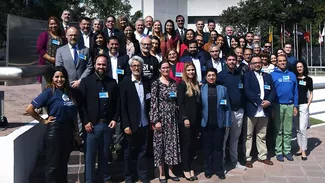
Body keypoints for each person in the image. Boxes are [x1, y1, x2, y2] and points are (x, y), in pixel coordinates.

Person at [25, 66, 79, 183]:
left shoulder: (69, 92)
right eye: (57, 77)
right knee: (52, 166)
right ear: (52, 78)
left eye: (62, 77)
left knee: (63, 165)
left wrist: (76, 133)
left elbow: (73, 115)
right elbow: (29, 109)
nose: (60, 79)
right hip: (55, 131)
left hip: (67, 131)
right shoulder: (49, 92)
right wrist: (43, 120)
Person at [79, 55, 119, 183]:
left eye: (104, 64)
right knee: (90, 157)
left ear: (107, 66)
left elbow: (117, 104)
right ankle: (89, 181)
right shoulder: (86, 82)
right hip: (91, 126)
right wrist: (85, 121)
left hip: (106, 125)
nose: (101, 67)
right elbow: (81, 104)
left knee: (104, 155)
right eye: (99, 64)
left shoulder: (112, 83)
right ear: (95, 65)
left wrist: (114, 119)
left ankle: (104, 179)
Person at [119, 56, 151, 183]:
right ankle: (129, 177)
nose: (137, 68)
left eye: (139, 66)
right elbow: (123, 107)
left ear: (142, 67)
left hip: (144, 122)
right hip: (131, 124)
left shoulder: (146, 82)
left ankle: (142, 176)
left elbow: (149, 102)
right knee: (128, 153)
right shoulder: (125, 83)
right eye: (134, 66)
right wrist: (125, 125)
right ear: (131, 67)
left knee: (142, 151)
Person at [150, 60, 181, 183]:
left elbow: (177, 100)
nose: (166, 70)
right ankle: (161, 172)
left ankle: (171, 171)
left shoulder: (174, 83)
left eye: (168, 67)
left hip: (172, 118)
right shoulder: (156, 84)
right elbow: (153, 103)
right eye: (163, 68)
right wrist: (156, 120)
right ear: (159, 69)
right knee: (160, 145)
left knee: (171, 144)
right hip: (161, 118)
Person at [244, 56, 276, 168]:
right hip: (252, 110)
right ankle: (247, 158)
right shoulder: (247, 76)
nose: (257, 64)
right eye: (255, 63)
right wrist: (259, 101)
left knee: (262, 135)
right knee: (248, 136)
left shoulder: (267, 76)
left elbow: (273, 90)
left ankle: (262, 156)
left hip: (264, 111)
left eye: (259, 62)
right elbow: (247, 91)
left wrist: (269, 101)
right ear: (251, 64)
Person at [201, 68, 231, 180]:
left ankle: (219, 170)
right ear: (206, 77)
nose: (211, 77)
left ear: (216, 77)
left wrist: (227, 122)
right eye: (209, 75)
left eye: (213, 75)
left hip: (219, 123)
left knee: (218, 148)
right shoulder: (201, 88)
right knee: (207, 148)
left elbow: (227, 107)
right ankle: (208, 169)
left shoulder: (223, 89)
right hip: (206, 123)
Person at [218, 53, 246, 171]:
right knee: (224, 139)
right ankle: (222, 163)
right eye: (229, 59)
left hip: (239, 110)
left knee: (235, 138)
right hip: (226, 112)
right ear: (225, 61)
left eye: (233, 60)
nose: (232, 62)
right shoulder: (220, 75)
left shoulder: (240, 74)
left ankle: (234, 161)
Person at [270, 55, 298, 162]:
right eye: (280, 61)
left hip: (290, 105)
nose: (282, 62)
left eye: (284, 61)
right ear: (276, 63)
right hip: (278, 105)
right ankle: (278, 151)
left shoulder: (292, 75)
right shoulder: (272, 75)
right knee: (278, 130)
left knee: (288, 130)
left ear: (286, 62)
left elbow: (295, 92)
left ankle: (287, 151)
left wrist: (295, 106)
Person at [177, 62, 201, 181]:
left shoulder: (196, 84)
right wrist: (184, 117)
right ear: (185, 72)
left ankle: (191, 167)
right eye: (189, 70)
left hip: (196, 120)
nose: (191, 72)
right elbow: (180, 103)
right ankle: (185, 169)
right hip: (186, 121)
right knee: (186, 145)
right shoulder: (182, 85)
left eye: (193, 70)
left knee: (193, 145)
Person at [37, 16, 65, 88]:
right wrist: (51, 59)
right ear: (48, 25)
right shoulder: (44, 35)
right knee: (47, 87)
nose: (53, 25)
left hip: (59, 66)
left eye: (55, 23)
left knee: (58, 86)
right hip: (47, 66)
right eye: (51, 24)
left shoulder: (62, 36)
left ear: (58, 24)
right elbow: (39, 49)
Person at [294, 61, 313, 161]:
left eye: (301, 67)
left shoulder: (309, 79)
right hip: (295, 106)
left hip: (304, 106)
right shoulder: (294, 78)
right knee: (297, 128)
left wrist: (308, 104)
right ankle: (300, 147)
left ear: (304, 67)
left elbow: (311, 93)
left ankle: (304, 150)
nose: (299, 68)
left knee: (303, 128)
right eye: (297, 67)